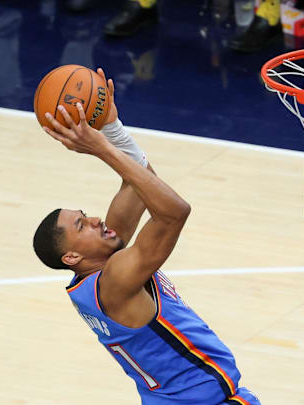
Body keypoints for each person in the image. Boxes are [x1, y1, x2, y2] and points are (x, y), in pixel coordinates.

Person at [33, 69, 260, 405]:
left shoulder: (101, 269)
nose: (95, 220)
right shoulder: (116, 279)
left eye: (85, 216)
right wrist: (102, 148)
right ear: (72, 258)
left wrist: (111, 128)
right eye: (82, 226)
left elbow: (136, 185)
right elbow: (174, 213)